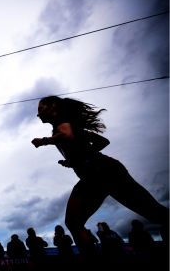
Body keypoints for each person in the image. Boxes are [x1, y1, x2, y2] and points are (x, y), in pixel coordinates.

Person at [31, 96, 169, 255]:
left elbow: (67, 135)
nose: (38, 114)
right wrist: (75, 160)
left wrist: (44, 141)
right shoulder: (72, 126)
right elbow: (103, 141)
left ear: (53, 106)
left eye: (41, 109)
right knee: (74, 222)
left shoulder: (62, 124)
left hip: (103, 171)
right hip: (97, 175)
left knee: (154, 213)